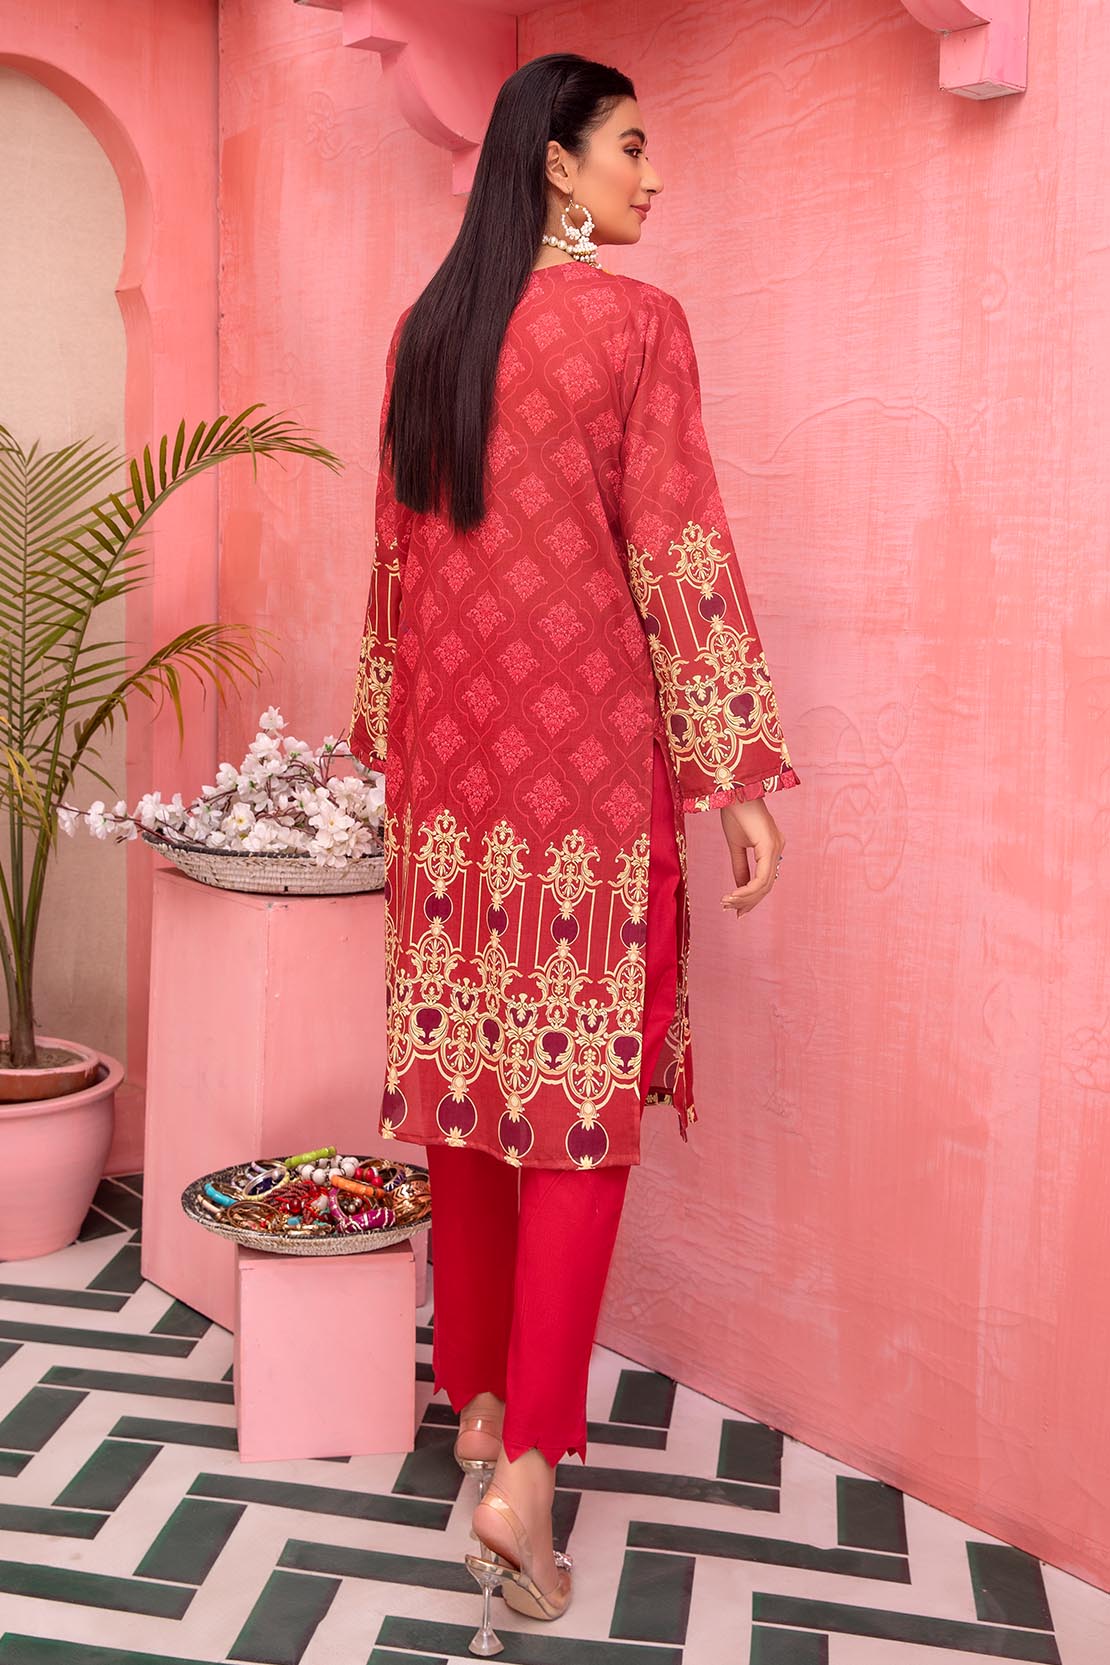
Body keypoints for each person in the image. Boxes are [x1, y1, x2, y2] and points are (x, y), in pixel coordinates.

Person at [345, 51, 801, 1653]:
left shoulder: (430, 328)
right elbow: (675, 543)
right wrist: (731, 770)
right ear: (554, 162)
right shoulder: (634, 326)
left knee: (472, 1091)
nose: (649, 178)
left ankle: (477, 1404)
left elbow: (393, 567)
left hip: (450, 784)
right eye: (629, 148)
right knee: (575, 1117)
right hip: (584, 789)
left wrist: (387, 756)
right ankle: (527, 1481)